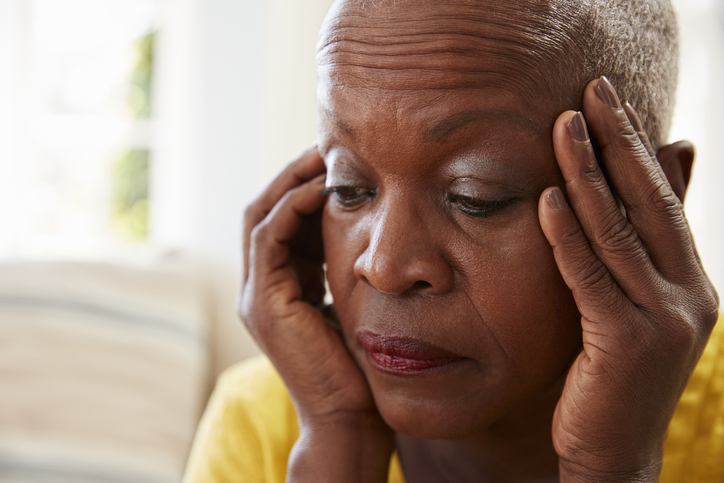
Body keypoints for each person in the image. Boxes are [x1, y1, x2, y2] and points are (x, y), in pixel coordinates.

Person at [184, 0, 721, 481]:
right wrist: (338, 444)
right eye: (348, 188)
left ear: (656, 194)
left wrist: (611, 471)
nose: (385, 266)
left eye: (475, 196)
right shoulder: (262, 425)